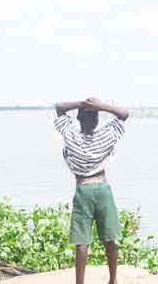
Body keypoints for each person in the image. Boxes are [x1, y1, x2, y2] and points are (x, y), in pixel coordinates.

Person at [54, 97, 129, 284]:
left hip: (83, 189)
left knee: (82, 242)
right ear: (96, 121)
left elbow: (59, 107)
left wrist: (82, 104)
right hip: (103, 189)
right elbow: (124, 114)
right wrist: (99, 106)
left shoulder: (71, 136)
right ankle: (113, 281)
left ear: (78, 119)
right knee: (109, 239)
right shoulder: (106, 135)